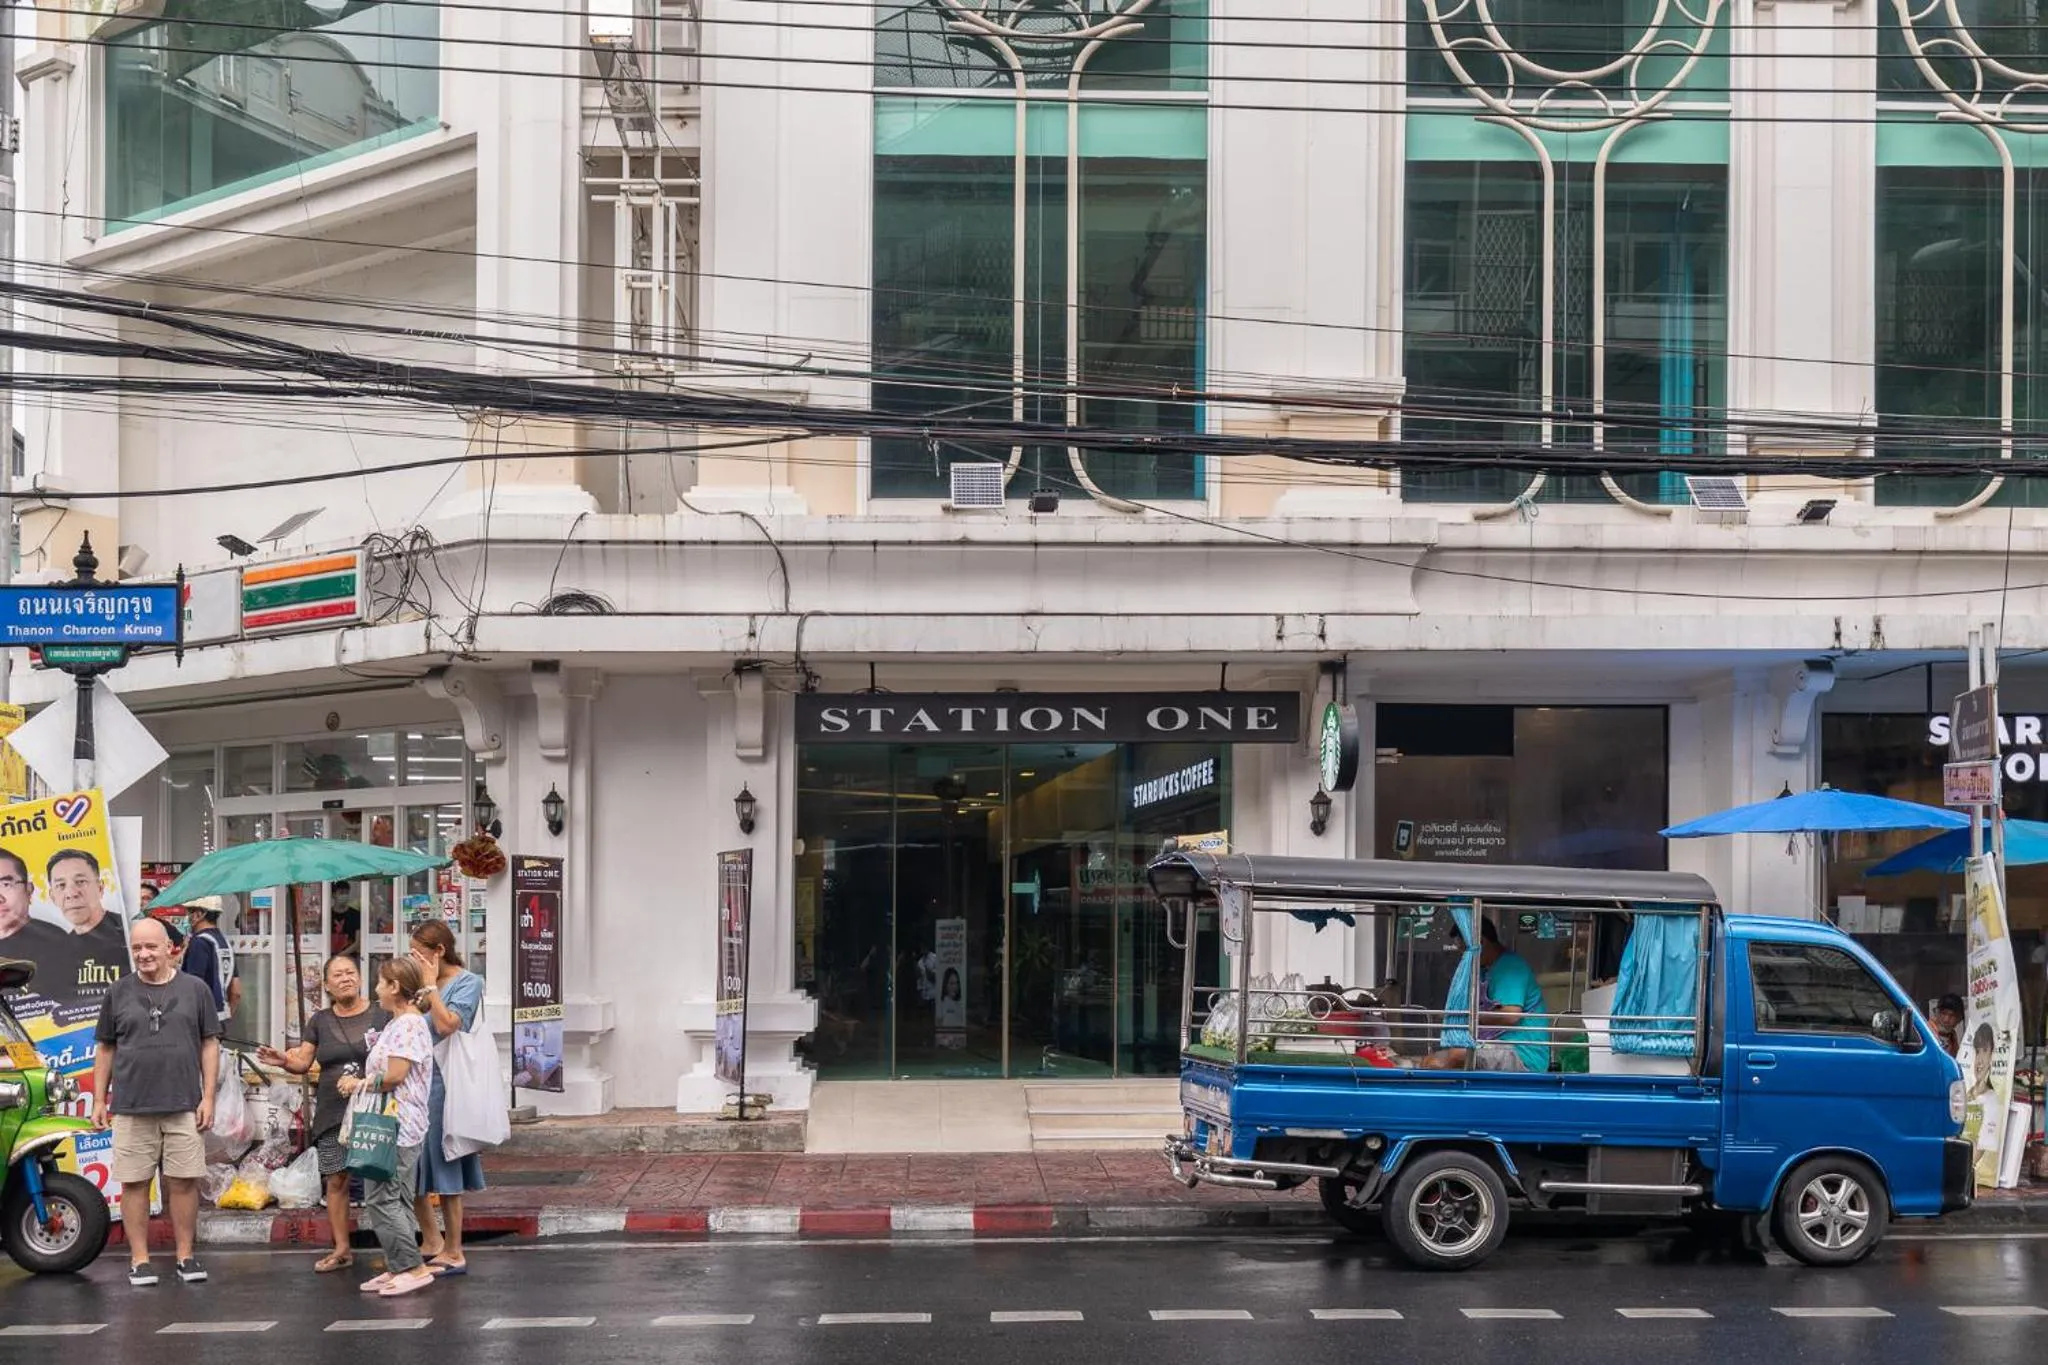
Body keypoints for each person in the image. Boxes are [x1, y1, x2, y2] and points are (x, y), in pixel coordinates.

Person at [92, 917, 221, 1288]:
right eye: (137, 948)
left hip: (184, 1103)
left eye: (151, 947)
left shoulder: (196, 989)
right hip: (132, 1105)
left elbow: (209, 1043)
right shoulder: (117, 992)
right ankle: (140, 1260)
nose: (144, 954)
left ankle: (185, 1256)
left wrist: (208, 1096)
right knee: (134, 1183)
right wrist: (101, 1098)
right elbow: (106, 1047)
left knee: (183, 1182)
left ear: (170, 948)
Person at [257, 955, 391, 1273]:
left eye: (350, 973)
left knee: (383, 1179)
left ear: (360, 979)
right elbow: (303, 1061)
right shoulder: (319, 1020)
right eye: (337, 975)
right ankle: (341, 1248)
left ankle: (395, 1249)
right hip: (333, 1110)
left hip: (375, 1108)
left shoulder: (383, 1015)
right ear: (327, 985)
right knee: (337, 1179)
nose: (345, 978)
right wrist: (282, 1060)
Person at [337, 957, 435, 1298]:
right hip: (398, 1124)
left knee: (382, 1198)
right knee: (396, 1198)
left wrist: (358, 1084)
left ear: (395, 987)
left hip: (397, 1125)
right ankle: (398, 1264)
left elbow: (395, 1076)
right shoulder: (399, 1023)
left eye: (380, 982)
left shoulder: (408, 1024)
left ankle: (412, 1266)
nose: (375, 989)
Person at [410, 921, 486, 1276]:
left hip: (446, 1083)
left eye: (420, 954)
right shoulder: (421, 983)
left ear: (439, 951)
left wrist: (431, 991)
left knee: (446, 1159)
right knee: (412, 1163)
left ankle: (455, 1248)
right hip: (414, 1080)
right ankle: (431, 1239)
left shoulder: (468, 982)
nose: (416, 961)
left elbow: (447, 1025)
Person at [1424, 917, 1551, 1073]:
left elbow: (1511, 1015)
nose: (1463, 957)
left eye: (1464, 951)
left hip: (1520, 1054)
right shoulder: (1485, 969)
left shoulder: (1509, 967)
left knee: (1456, 1056)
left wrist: (1467, 1017)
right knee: (1430, 1060)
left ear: (1481, 943)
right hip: (1496, 1046)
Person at [179, 897, 241, 1026]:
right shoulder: (224, 943)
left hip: (200, 1021)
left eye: (189, 912)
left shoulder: (199, 943)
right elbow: (236, 992)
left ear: (199, 914)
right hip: (221, 1018)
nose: (186, 917)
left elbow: (192, 989)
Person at [1932, 994, 1966, 1059]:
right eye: (1943, 1013)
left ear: (1959, 1019)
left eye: (1952, 1015)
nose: (1946, 1020)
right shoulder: (1927, 1032)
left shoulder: (1952, 1036)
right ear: (1937, 1013)